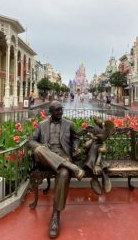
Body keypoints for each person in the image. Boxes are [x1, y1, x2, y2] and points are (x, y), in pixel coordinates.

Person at [28, 101, 85, 238]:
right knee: (39, 149)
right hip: (46, 158)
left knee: (64, 173)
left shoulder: (69, 124)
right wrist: (42, 146)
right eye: (58, 110)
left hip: (63, 156)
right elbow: (31, 141)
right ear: (51, 111)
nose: (61, 112)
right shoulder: (42, 125)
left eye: (62, 109)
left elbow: (76, 138)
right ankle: (72, 167)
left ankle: (55, 215)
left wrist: (76, 148)